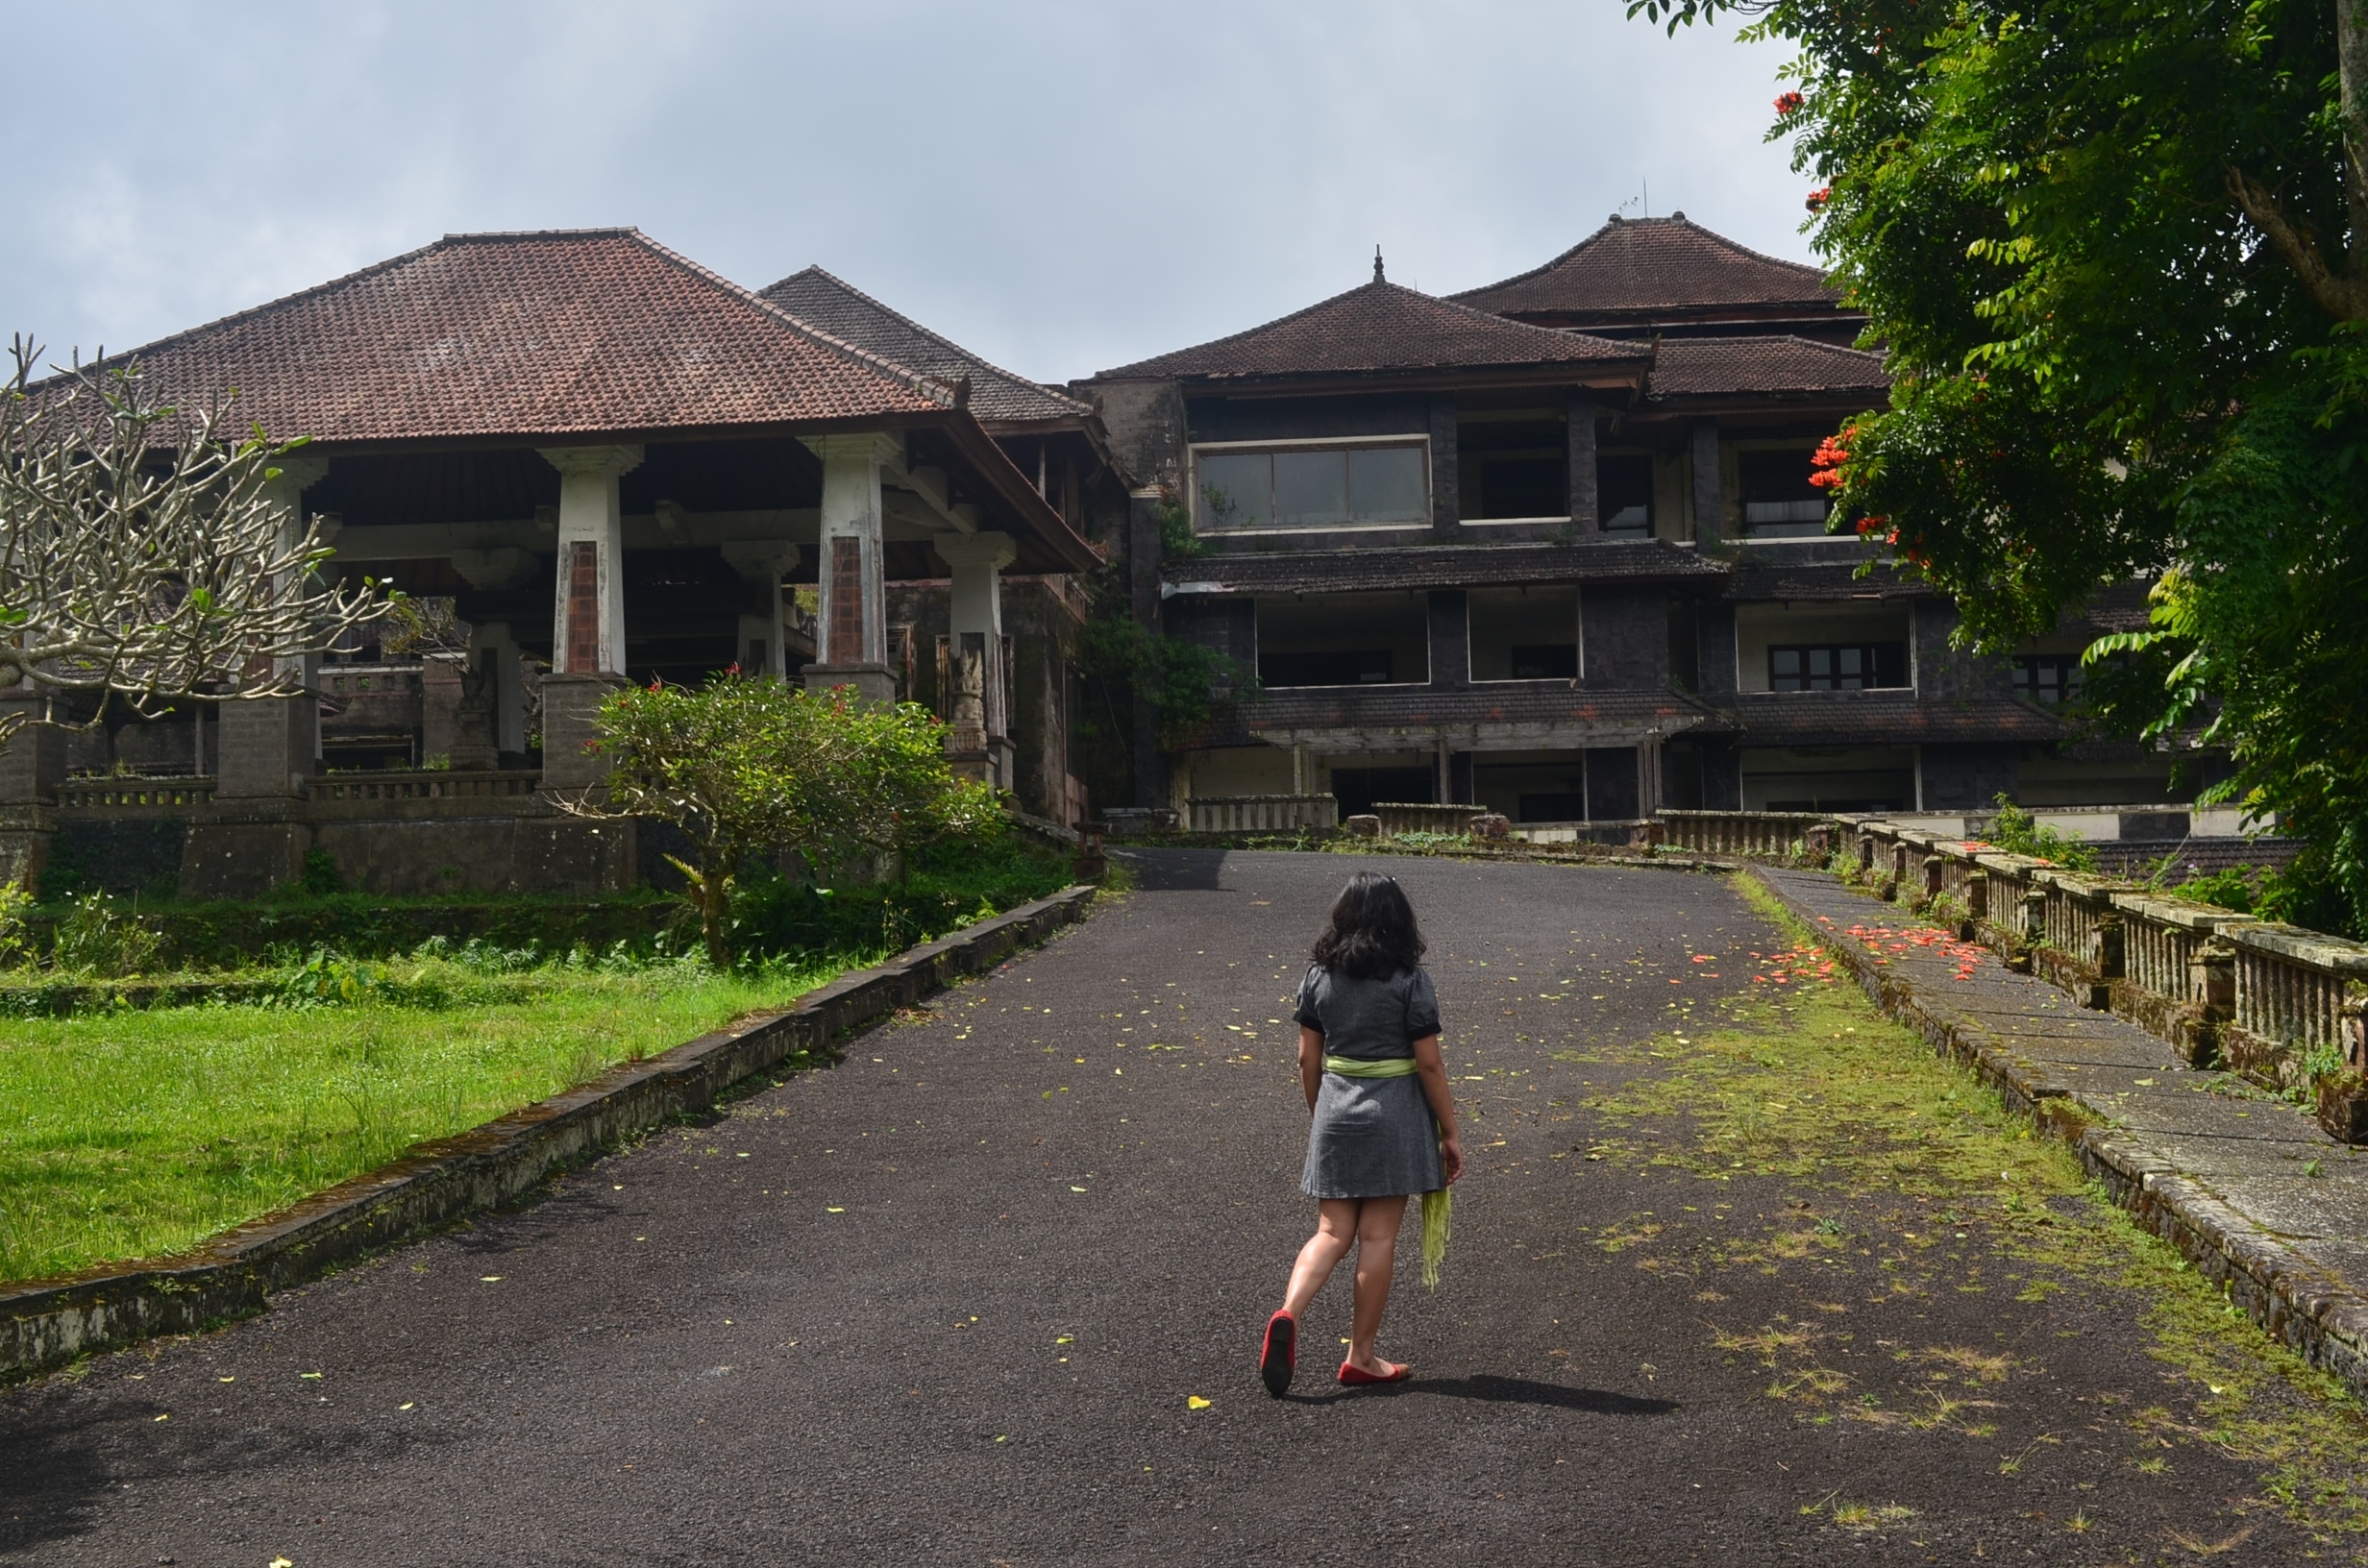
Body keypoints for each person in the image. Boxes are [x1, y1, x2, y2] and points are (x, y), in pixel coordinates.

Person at [1260, 872, 1464, 1396]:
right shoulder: (1409, 979)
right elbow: (1430, 1065)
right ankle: (1361, 1356)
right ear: (1399, 921)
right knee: (1377, 1238)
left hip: (1336, 1109)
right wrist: (1451, 1131)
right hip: (1395, 1113)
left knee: (1331, 1233)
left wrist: (1321, 1113)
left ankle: (1289, 1312)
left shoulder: (1318, 977)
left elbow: (1308, 1057)